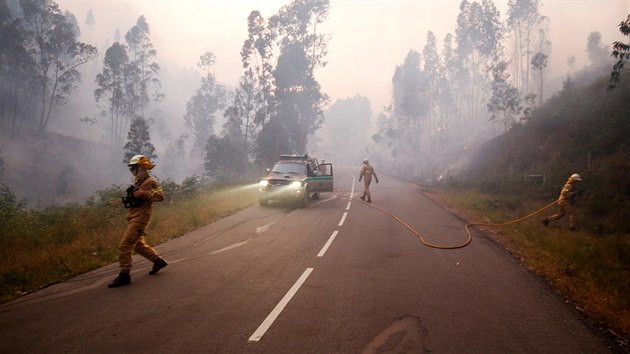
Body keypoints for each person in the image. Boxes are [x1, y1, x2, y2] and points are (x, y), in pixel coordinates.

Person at [109, 155, 168, 288]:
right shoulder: (140, 182)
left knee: (124, 246)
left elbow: (160, 197)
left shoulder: (150, 181)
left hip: (140, 219)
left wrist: (144, 193)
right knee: (138, 245)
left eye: (133, 168)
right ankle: (158, 261)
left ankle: (124, 274)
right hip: (133, 217)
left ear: (140, 168)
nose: (131, 170)